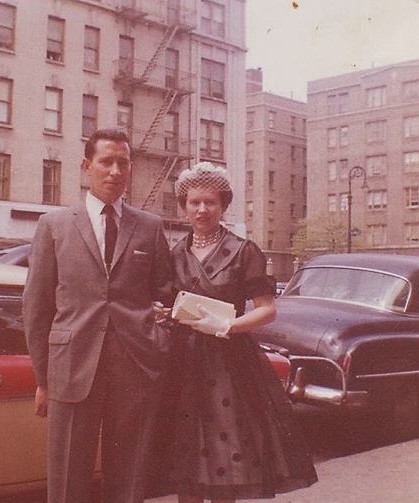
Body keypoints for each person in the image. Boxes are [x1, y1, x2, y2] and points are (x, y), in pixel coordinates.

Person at [149, 162, 318, 503]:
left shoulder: (244, 251)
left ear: (223, 205)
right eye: (194, 202)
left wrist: (227, 325)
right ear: (184, 207)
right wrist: (162, 313)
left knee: (227, 459)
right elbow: (169, 304)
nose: (201, 209)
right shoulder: (175, 253)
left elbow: (267, 310)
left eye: (210, 202)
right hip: (183, 366)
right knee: (188, 463)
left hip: (229, 366)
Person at [23, 129, 174, 503]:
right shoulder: (54, 225)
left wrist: (155, 343)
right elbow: (37, 307)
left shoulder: (150, 226)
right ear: (87, 166)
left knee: (129, 477)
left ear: (130, 170)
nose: (114, 171)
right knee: (67, 479)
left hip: (134, 369)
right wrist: (43, 378)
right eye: (106, 162)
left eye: (122, 163)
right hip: (71, 368)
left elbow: (168, 296)